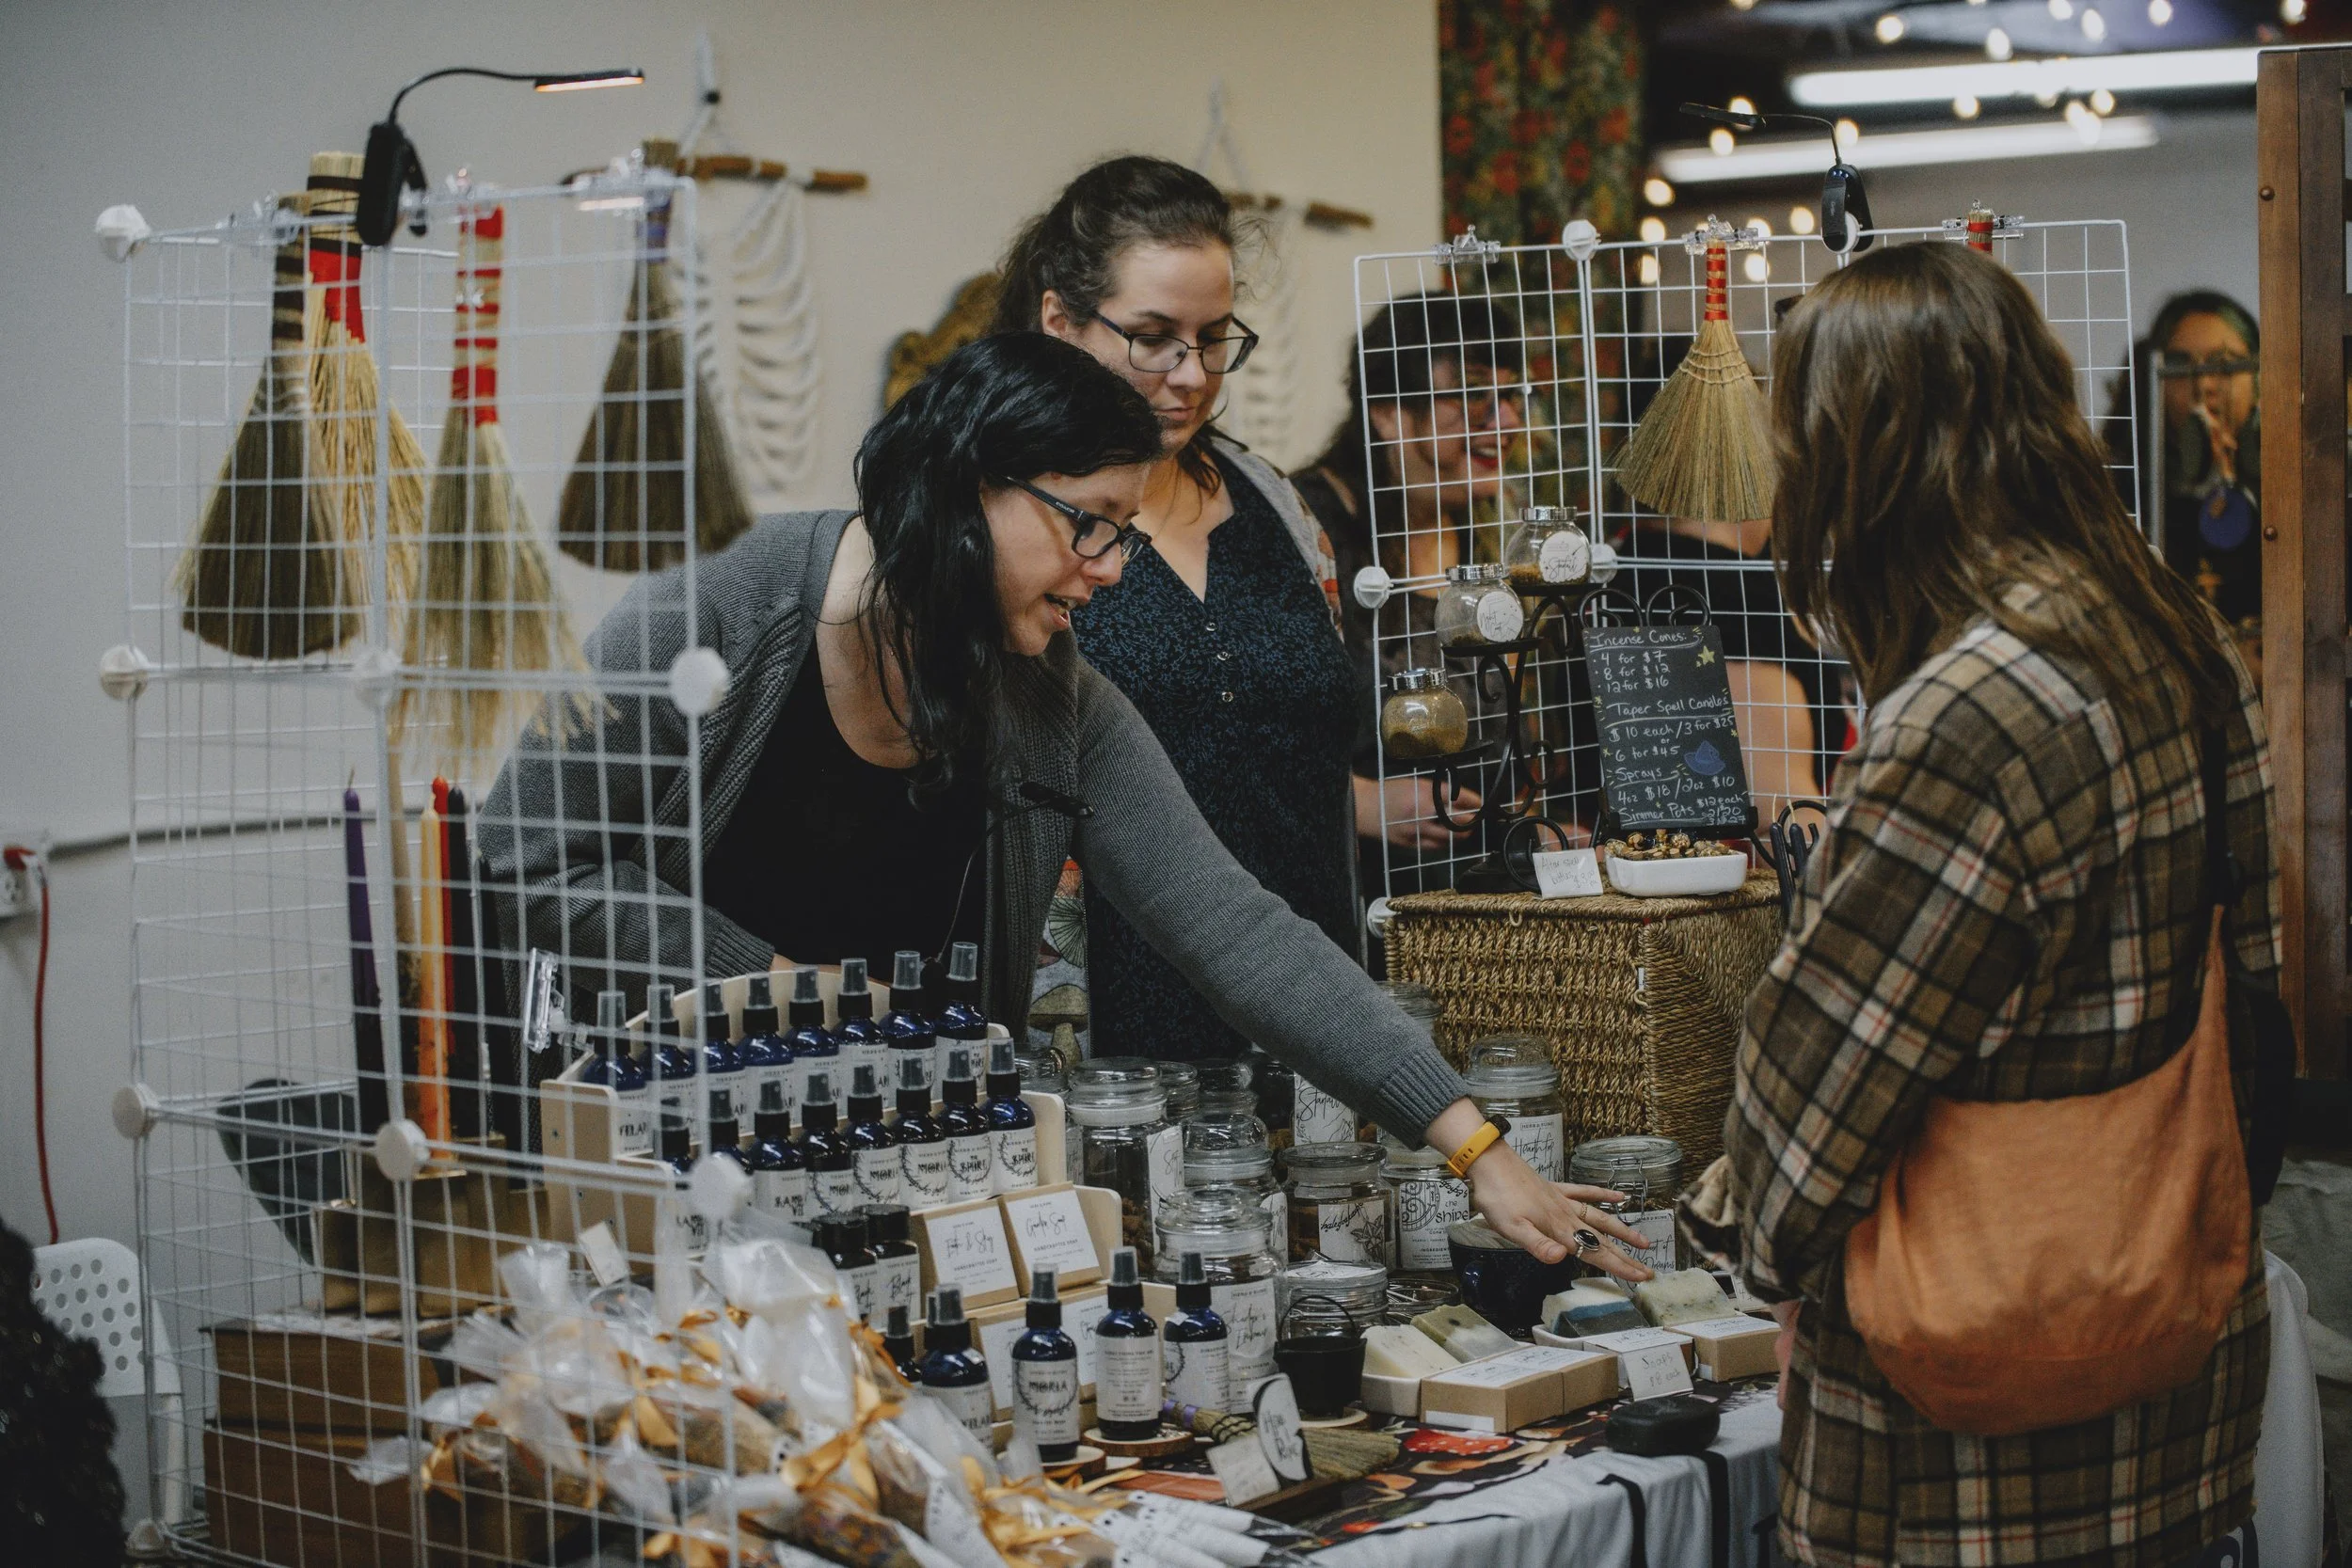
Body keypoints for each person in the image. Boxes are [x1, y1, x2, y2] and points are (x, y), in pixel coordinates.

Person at [480, 332, 1653, 1277]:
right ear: (963, 488)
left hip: (901, 1177)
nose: (1107, 566)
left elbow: (1233, 927)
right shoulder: (711, 621)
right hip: (661, 1171)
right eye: (1086, 521)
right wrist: (789, 995)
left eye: (1122, 531)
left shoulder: (1057, 700)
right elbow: (520, 856)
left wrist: (1471, 1140)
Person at [1728, 244, 2273, 1560]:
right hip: (2168, 1334)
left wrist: (1747, 1253)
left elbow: (1819, 1098)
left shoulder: (1974, 708)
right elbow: (2260, 963)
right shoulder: (2166, 625)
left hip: (1968, 1423)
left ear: (1860, 452)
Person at [995, 156, 1360, 1055]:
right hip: (1103, 1027)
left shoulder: (1278, 505)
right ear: (1059, 321)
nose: (1192, 373)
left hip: (1305, 1002)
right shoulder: (1006, 522)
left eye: (1213, 337)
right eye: (1154, 335)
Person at [1293, 293, 1518, 895]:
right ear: (1389, 414)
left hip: (1479, 899)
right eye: (1472, 395)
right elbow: (1245, 732)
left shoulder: (1485, 536)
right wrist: (1363, 803)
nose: (1506, 421)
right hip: (1348, 897)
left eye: (1511, 395)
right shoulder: (1303, 527)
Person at [2109, 291, 2261, 642]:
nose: (2203, 384)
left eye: (2224, 365)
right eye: (2179, 365)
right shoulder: (2119, 493)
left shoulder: (2298, 484)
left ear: (2257, 378)